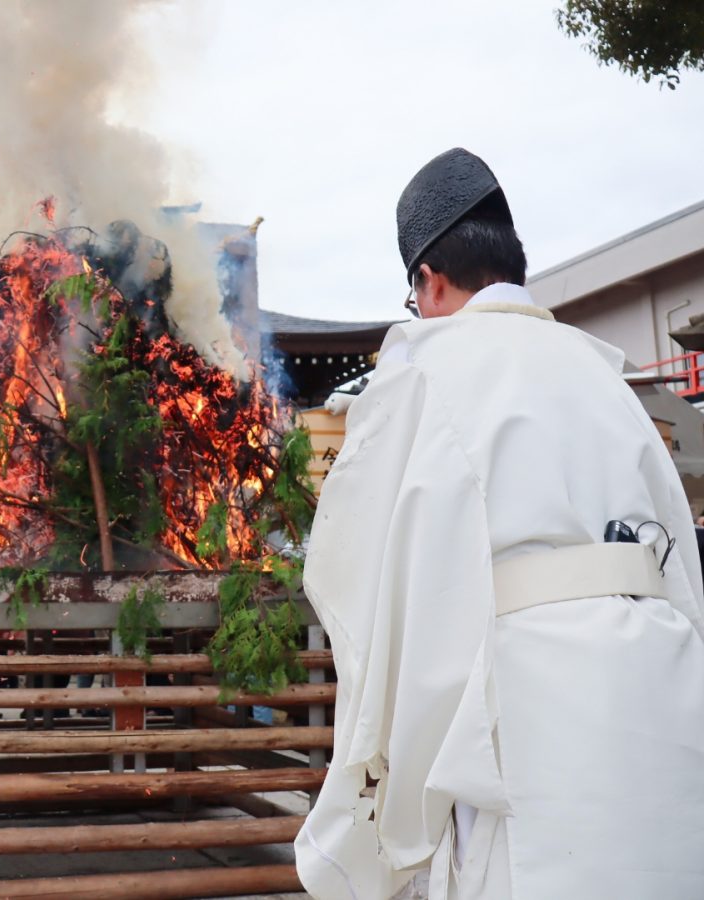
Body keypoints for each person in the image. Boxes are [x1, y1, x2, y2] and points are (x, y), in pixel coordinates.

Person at [294, 148, 704, 899]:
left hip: (526, 706)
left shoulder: (421, 368)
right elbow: (681, 564)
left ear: (429, 280)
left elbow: (354, 575)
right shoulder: (608, 379)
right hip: (664, 694)